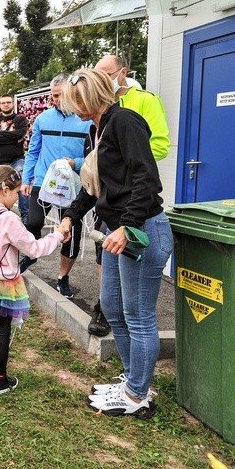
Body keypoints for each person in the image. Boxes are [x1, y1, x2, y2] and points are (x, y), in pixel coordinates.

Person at [57, 68, 172, 418]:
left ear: (89, 96)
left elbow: (147, 179)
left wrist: (127, 225)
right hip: (118, 231)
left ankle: (137, 394)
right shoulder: (98, 128)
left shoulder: (125, 122)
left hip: (141, 231)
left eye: (73, 101)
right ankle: (132, 380)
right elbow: (98, 186)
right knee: (113, 309)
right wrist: (71, 215)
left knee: (138, 316)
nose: (70, 107)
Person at [0, 166, 64, 394]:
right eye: (16, 192)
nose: (17, 197)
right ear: (5, 189)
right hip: (2, 283)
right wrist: (57, 236)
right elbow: (34, 248)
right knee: (2, 330)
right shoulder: (8, 219)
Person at [87, 54, 172, 336]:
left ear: (122, 73)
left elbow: (156, 150)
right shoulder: (98, 121)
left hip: (136, 212)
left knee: (136, 312)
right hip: (115, 209)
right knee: (115, 300)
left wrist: (125, 158)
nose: (101, 80)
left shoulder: (141, 104)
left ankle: (136, 381)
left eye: (105, 74)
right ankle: (130, 375)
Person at [20, 74, 93, 299]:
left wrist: (76, 163)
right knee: (32, 222)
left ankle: (63, 277)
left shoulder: (86, 120)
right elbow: (33, 150)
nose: (57, 99)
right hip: (43, 182)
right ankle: (31, 255)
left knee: (69, 231)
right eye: (53, 96)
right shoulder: (43, 119)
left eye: (61, 95)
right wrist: (26, 178)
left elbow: (93, 156)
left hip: (72, 185)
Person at [0, 95, 29, 222]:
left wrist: (2, 135)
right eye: (3, 103)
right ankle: (4, 218)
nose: (6, 105)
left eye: (8, 102)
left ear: (13, 103)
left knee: (22, 186)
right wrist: (13, 138)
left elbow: (21, 133)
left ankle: (26, 217)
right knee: (0, 190)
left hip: (17, 159)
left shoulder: (20, 119)